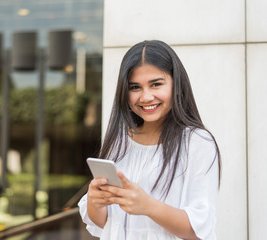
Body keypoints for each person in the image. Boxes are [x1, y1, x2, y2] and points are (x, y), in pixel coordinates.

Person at [78, 40, 221, 240]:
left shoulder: (196, 142)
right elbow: (105, 223)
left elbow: (199, 229)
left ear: (176, 85)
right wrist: (95, 201)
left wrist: (148, 206)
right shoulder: (120, 141)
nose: (146, 97)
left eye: (156, 84)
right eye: (135, 87)